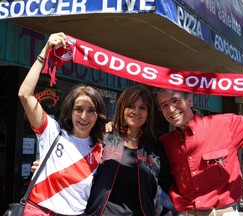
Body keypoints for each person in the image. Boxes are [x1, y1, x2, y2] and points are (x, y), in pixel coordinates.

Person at [154, 88, 243, 216]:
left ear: (190, 101)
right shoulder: (165, 143)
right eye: (164, 105)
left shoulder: (225, 125)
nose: (171, 109)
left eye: (175, 101)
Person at [18, 32, 107, 215]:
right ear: (70, 111)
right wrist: (45, 51)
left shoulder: (102, 151)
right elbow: (24, 95)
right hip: (38, 211)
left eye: (91, 110)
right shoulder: (52, 131)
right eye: (78, 109)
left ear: (98, 115)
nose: (84, 116)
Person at [85, 85, 171, 216]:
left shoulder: (155, 147)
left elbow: (167, 187)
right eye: (131, 106)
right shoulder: (106, 137)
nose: (136, 111)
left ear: (148, 113)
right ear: (122, 108)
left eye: (142, 108)